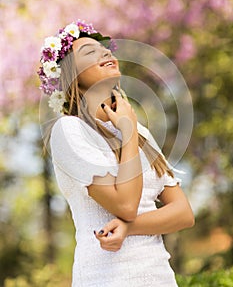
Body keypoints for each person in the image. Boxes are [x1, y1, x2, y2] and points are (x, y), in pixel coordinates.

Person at [38, 19, 195, 287]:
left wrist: (129, 228)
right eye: (90, 52)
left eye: (105, 49)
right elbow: (125, 205)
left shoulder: (139, 131)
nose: (106, 53)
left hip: (159, 277)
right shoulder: (69, 131)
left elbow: (183, 213)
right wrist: (129, 132)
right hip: (106, 277)